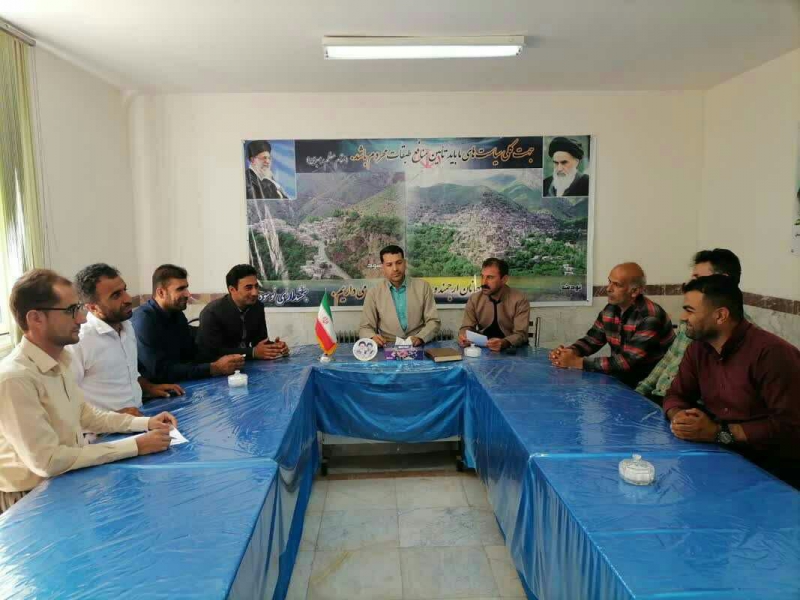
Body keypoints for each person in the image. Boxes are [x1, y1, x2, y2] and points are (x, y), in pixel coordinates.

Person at [0, 269, 178, 514]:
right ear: (36, 319)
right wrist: (135, 445)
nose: (82, 319)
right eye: (71, 310)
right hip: (30, 499)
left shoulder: (59, 359)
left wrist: (145, 423)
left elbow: (85, 414)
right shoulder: (15, 378)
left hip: (65, 482)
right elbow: (48, 461)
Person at [664, 275, 800, 489]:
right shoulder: (698, 349)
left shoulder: (771, 354)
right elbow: (676, 395)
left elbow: (789, 424)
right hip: (720, 454)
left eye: (690, 310)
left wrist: (719, 433)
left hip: (773, 468)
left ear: (720, 316)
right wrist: (679, 417)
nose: (682, 318)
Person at [68, 263, 185, 416]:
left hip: (139, 418)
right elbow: (65, 400)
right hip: (104, 429)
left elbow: (129, 374)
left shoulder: (127, 327)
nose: (128, 299)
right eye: (116, 295)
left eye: (125, 290)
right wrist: (113, 417)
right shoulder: (80, 341)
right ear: (92, 307)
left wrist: (149, 388)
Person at [636, 249, 742, 404]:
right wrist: (640, 392)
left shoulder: (738, 336)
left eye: (698, 278)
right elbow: (670, 357)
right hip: (663, 399)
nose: (683, 317)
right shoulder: (691, 321)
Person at [550, 262, 674, 387]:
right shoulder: (610, 309)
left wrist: (578, 363)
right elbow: (592, 340)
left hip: (653, 385)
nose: (608, 289)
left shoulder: (650, 316)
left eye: (617, 285)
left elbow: (628, 361)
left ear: (634, 291)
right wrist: (568, 353)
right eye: (609, 282)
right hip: (623, 380)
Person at [131, 264, 244, 383]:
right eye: (180, 289)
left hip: (181, 384)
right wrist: (214, 368)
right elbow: (159, 371)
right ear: (161, 292)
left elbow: (191, 354)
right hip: (156, 390)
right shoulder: (143, 320)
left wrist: (226, 360)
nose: (188, 294)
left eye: (186, 288)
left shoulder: (177, 314)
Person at [196, 264, 288, 361]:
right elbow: (210, 352)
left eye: (256, 286)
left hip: (247, 364)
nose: (255, 293)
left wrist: (275, 348)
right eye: (248, 288)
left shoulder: (257, 306)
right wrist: (252, 352)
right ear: (232, 290)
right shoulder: (212, 312)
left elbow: (260, 342)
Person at [358, 245, 440, 347]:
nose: (395, 269)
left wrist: (420, 337)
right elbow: (365, 327)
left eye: (399, 263)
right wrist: (372, 337)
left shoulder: (423, 287)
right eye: (389, 265)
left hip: (418, 344)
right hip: (388, 345)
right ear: (383, 267)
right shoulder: (374, 292)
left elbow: (433, 321)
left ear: (405, 263)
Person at [458, 258, 530, 352]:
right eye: (482, 277)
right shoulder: (474, 299)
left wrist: (504, 343)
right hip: (483, 351)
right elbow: (466, 327)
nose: (483, 283)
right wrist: (463, 336)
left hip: (514, 351)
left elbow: (521, 334)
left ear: (504, 279)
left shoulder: (519, 300)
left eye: (490, 277)